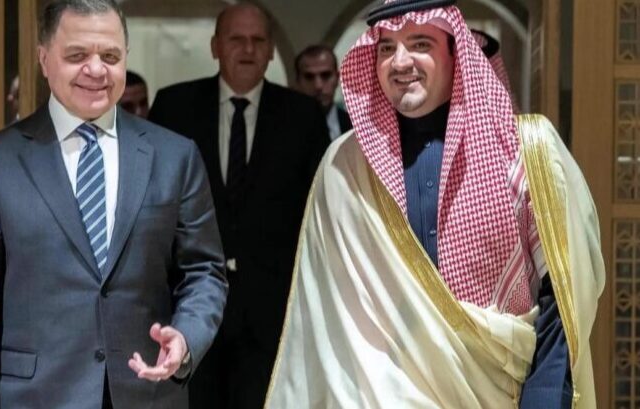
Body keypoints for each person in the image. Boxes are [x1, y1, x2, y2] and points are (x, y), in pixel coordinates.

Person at [265, 0, 604, 408]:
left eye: (419, 43)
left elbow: (562, 301)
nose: (400, 61)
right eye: (386, 47)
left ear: (456, 51)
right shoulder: (346, 166)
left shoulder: (525, 151)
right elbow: (328, 320)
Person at [0, 1, 227, 408]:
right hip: (37, 398)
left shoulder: (174, 157)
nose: (96, 70)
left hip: (147, 394)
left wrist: (186, 337)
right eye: (77, 56)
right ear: (44, 59)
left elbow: (205, 272)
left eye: (110, 56)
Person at [148, 3, 330, 409]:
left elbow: (317, 215)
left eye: (258, 40)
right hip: (190, 309)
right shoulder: (174, 107)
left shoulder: (302, 117)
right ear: (215, 46)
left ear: (271, 50)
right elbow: (154, 206)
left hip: (271, 314)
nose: (248, 49)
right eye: (236, 39)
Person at [294, 44, 352, 140]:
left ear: (337, 78)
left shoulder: (356, 125)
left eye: (326, 75)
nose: (318, 86)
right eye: (309, 77)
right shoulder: (284, 126)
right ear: (297, 81)